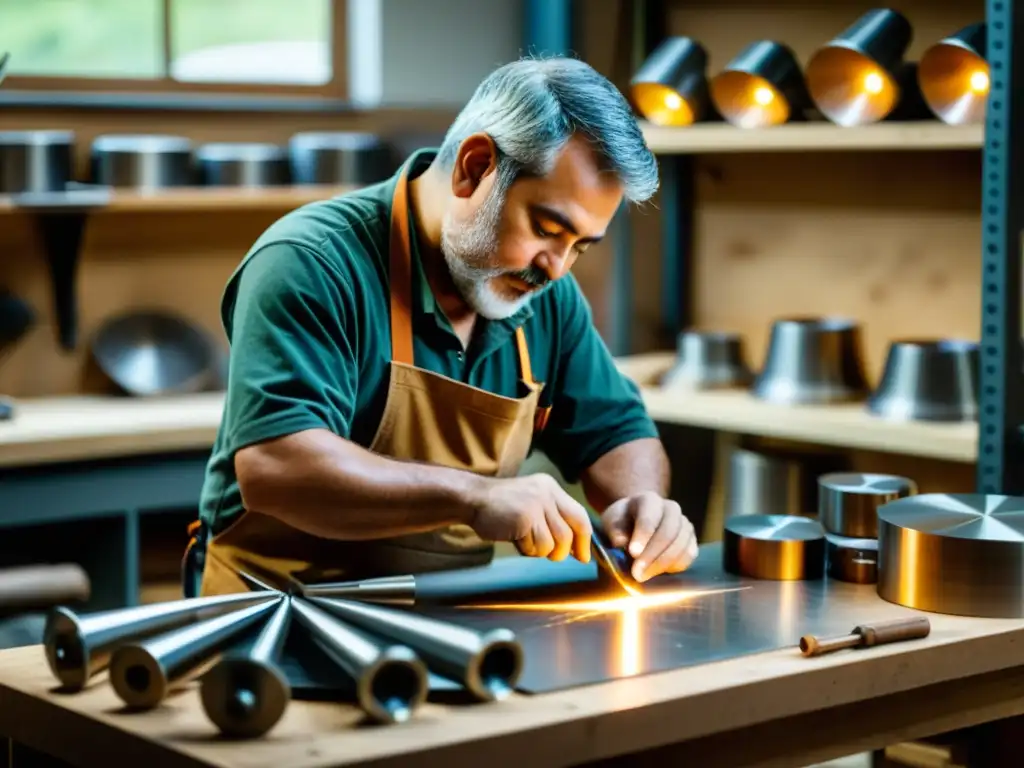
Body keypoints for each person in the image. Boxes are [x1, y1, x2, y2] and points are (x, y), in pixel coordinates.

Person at [183, 56, 699, 598]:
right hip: (277, 615)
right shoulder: (312, 262)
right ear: (474, 168)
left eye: (581, 247)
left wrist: (642, 506)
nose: (557, 267)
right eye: (548, 229)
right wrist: (474, 497)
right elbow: (277, 467)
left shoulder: (547, 297)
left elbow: (616, 431)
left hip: (446, 618)